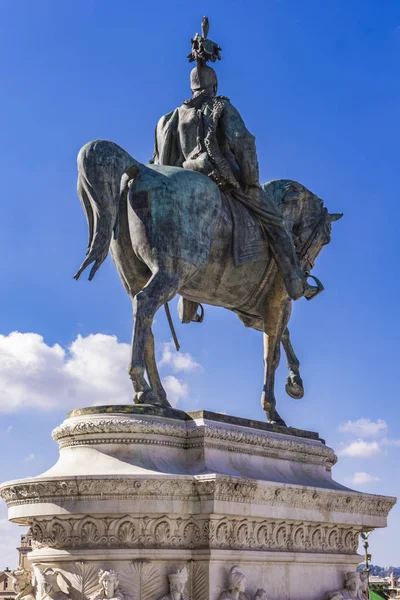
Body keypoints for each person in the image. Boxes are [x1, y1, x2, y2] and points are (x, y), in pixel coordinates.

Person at [151, 18, 319, 322]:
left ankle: (187, 303)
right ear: (213, 86)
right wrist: (251, 182)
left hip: (182, 173)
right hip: (219, 175)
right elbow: (243, 141)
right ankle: (295, 281)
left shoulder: (169, 118)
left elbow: (156, 160)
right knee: (277, 223)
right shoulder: (219, 107)